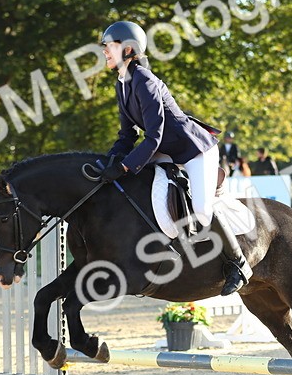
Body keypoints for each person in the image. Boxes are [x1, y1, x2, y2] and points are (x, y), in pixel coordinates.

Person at [98, 20, 252, 295]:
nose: (105, 51)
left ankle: (239, 264)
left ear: (129, 49)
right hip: (166, 151)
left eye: (109, 46)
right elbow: (126, 135)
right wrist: (110, 161)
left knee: (203, 209)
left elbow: (153, 136)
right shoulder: (122, 83)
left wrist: (124, 165)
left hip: (193, 149)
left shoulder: (145, 81)